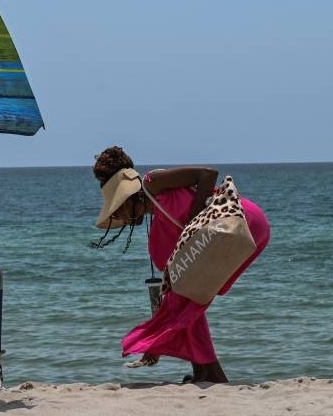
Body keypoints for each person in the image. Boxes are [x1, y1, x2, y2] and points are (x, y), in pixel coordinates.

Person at [90, 146, 271, 384]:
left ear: (128, 197)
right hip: (236, 236)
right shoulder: (159, 228)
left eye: (118, 209)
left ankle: (213, 375)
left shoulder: (152, 183)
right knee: (186, 298)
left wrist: (194, 223)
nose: (121, 217)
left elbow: (207, 173)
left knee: (187, 299)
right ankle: (204, 374)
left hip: (241, 223)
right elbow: (174, 284)